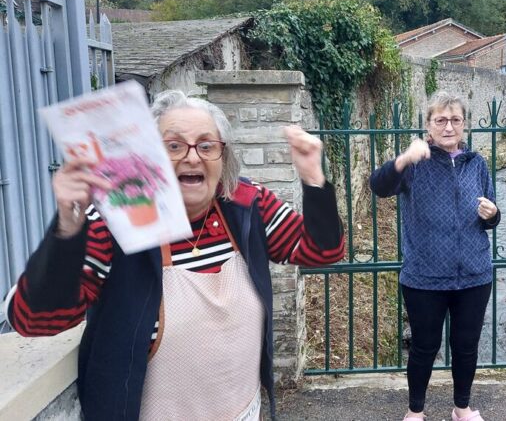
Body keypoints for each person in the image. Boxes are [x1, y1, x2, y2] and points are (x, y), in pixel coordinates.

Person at [3, 90, 345, 420]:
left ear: (222, 157)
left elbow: (322, 251)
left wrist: (314, 178)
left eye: (206, 146)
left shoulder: (247, 202)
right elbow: (34, 321)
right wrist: (66, 229)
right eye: (174, 145)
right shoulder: (114, 223)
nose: (193, 157)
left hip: (243, 410)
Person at [369, 91, 500, 421]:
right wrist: (403, 159)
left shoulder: (477, 164)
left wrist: (492, 214)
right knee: (424, 348)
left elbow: (492, 217)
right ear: (428, 125)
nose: (448, 127)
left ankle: (462, 408)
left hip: (474, 274)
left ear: (464, 125)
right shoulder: (414, 165)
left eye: (455, 120)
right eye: (440, 120)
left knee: (466, 347)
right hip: (424, 277)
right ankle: (415, 411)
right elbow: (378, 186)